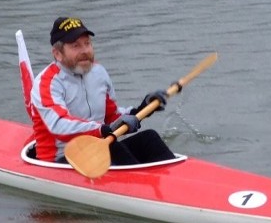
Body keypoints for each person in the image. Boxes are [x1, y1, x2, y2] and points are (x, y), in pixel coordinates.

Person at [30, 16, 176, 165]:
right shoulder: (47, 83)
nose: (85, 51)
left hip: (98, 150)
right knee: (114, 148)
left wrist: (141, 109)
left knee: (149, 139)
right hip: (59, 160)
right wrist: (102, 130)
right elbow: (59, 126)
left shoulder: (98, 72)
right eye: (76, 46)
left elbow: (111, 117)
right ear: (57, 54)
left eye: (87, 43)